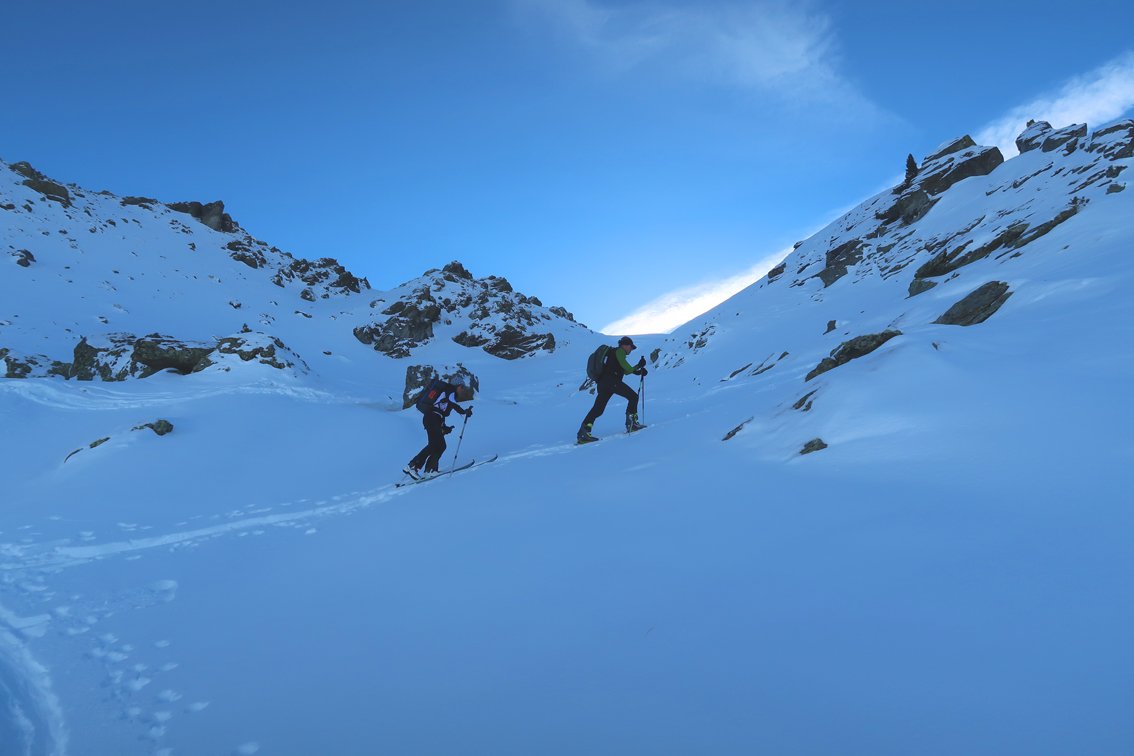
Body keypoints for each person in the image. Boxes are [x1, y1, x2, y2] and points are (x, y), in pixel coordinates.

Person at [577, 336, 647, 443]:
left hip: (603, 383)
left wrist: (638, 368)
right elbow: (627, 368)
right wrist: (638, 368)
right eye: (631, 347)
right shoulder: (619, 351)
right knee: (633, 397)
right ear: (625, 345)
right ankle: (632, 424)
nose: (631, 350)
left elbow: (625, 371)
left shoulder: (613, 353)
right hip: (611, 382)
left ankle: (583, 432)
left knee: (598, 409)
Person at [405, 376, 474, 478]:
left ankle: (430, 469)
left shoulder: (447, 394)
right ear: (457, 385)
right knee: (435, 445)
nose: (462, 389)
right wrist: (464, 412)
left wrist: (444, 428)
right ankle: (413, 466)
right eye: (462, 387)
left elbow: (440, 412)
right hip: (431, 418)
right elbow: (451, 404)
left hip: (433, 419)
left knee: (440, 445)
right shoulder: (450, 390)